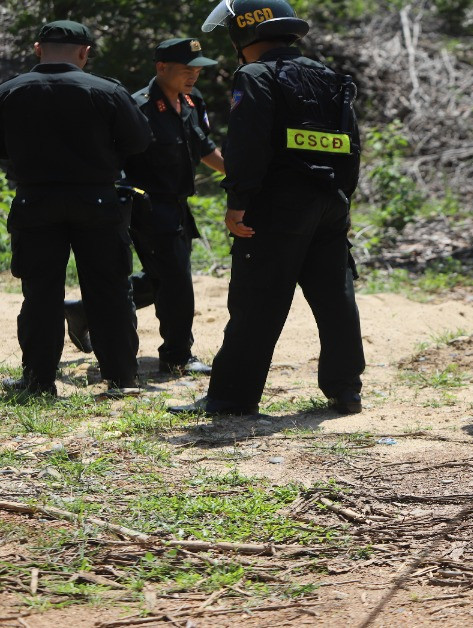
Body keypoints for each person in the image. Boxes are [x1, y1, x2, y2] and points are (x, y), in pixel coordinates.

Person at [169, 0, 364, 416]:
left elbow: (248, 143)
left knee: (256, 301)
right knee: (336, 297)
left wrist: (238, 201)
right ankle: (346, 391)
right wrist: (342, 201)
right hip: (330, 202)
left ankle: (230, 399)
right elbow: (352, 146)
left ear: (244, 34)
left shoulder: (254, 75)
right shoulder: (328, 76)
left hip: (277, 207)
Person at [0, 20, 151, 397]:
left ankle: (37, 382)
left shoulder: (7, 92)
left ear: (37, 48)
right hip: (97, 200)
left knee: (40, 293)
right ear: (84, 53)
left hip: (34, 200)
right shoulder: (107, 90)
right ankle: (120, 379)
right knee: (110, 290)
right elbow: (139, 140)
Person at [63, 38, 226, 376]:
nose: (194, 75)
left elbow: (206, 146)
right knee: (177, 279)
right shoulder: (138, 107)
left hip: (179, 203)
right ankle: (177, 356)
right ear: (161, 68)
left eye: (198, 68)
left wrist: (240, 174)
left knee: (161, 278)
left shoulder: (192, 101)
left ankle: (84, 312)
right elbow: (115, 159)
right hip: (148, 206)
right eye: (187, 69)